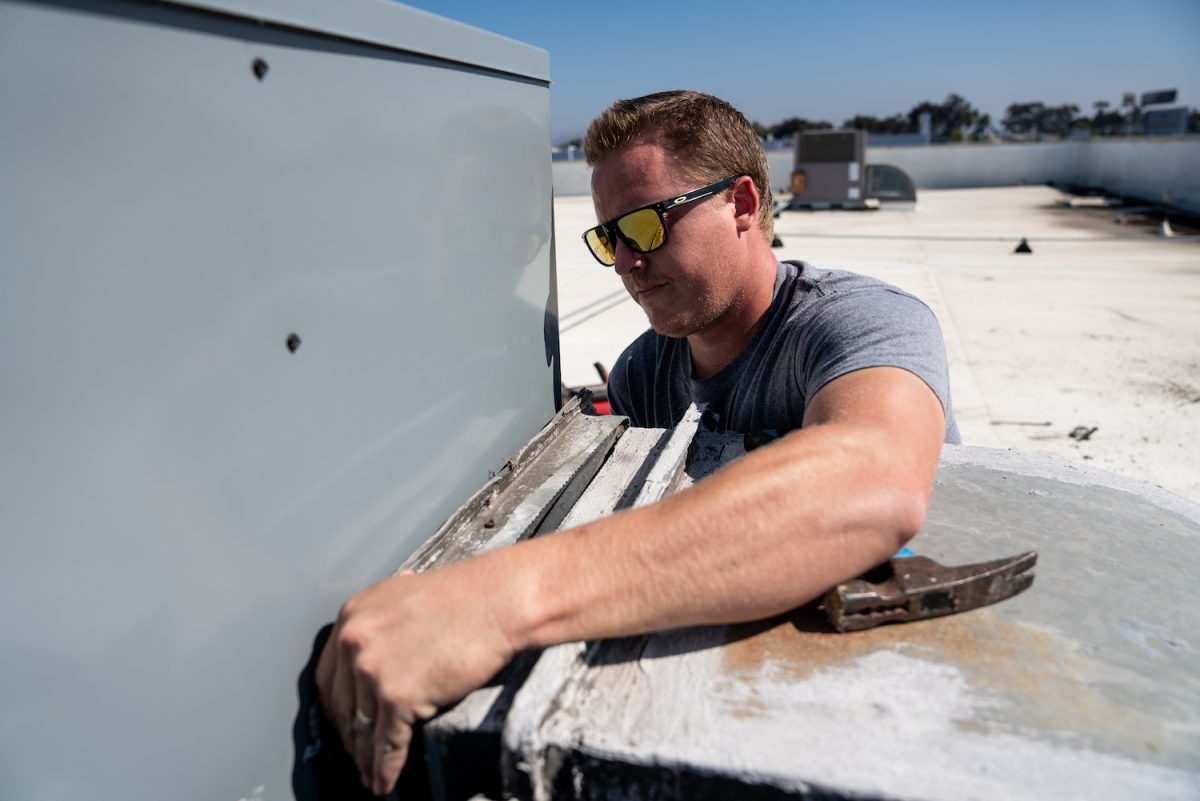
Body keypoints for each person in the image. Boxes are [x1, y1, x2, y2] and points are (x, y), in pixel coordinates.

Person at [316, 90, 956, 796]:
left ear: (742, 204)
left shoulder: (862, 325)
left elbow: (872, 481)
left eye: (648, 226)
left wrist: (496, 601)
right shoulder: (644, 369)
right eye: (608, 238)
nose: (625, 261)